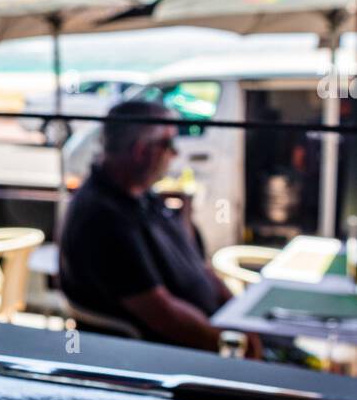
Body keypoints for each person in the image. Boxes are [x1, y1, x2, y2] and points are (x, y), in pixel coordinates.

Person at [59, 100, 260, 355]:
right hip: (177, 355)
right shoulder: (103, 218)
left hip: (214, 330)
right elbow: (164, 315)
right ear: (142, 151)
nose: (175, 154)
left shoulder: (141, 197)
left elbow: (200, 270)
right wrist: (230, 346)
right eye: (169, 144)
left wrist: (240, 319)